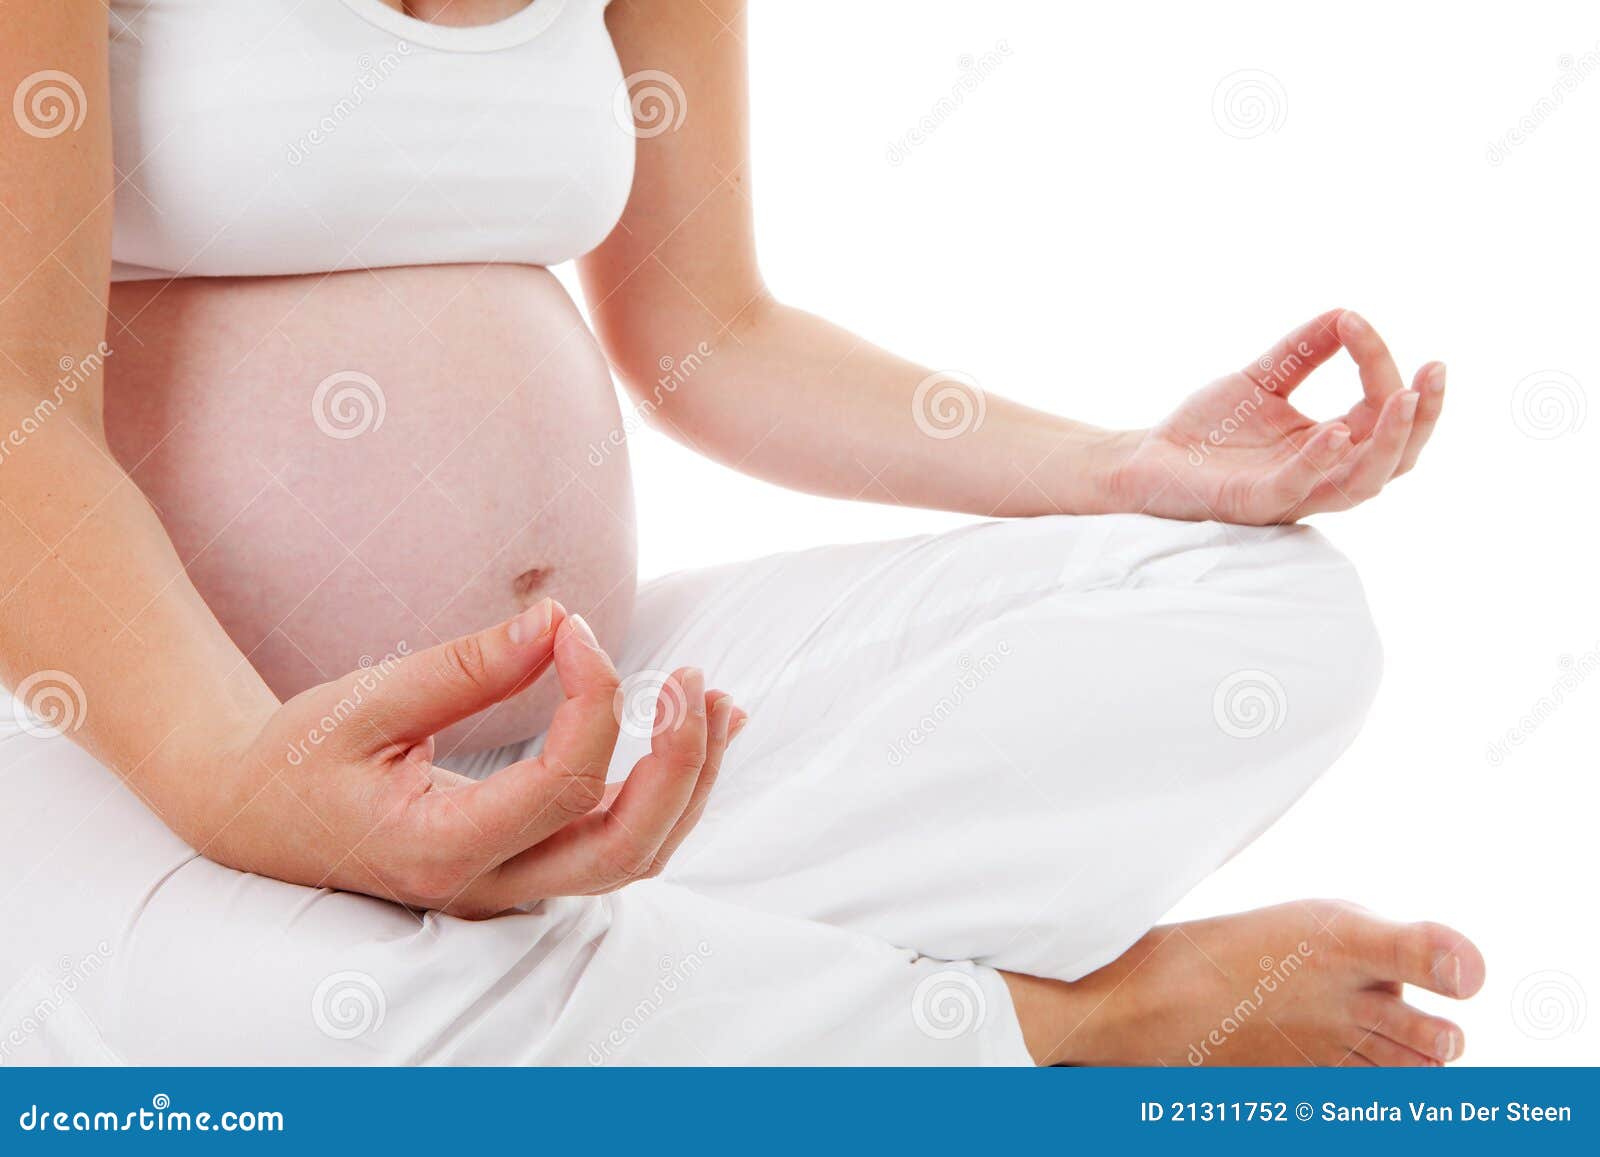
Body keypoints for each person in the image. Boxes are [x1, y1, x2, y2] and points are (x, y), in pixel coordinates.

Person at [0, 0, 1479, 1065]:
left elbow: (713, 333)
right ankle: (1088, 1021)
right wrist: (241, 788)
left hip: (581, 698)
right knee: (307, 1037)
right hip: (145, 758)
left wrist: (1128, 465)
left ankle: (587, 984)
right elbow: (16, 410)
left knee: (1273, 622)